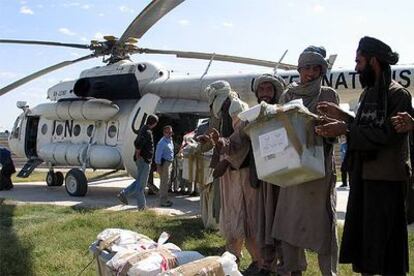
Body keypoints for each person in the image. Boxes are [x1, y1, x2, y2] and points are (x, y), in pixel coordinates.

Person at [316, 36, 410, 275]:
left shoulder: (398, 95)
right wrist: (341, 115)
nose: (356, 67)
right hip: (364, 178)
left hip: (386, 181)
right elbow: (364, 126)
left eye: (359, 61)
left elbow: (386, 134)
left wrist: (346, 129)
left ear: (373, 61)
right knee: (365, 245)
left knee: (387, 248)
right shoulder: (368, 94)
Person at [273, 46, 339, 276]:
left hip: (318, 170)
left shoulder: (328, 94)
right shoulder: (287, 95)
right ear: (299, 70)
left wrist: (316, 125)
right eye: (306, 68)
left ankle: (328, 272)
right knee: (289, 222)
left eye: (315, 68)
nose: (310, 73)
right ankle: (292, 270)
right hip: (291, 170)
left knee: (323, 224)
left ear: (321, 70)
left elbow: (334, 130)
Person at [204, 81, 262, 273]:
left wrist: (226, 161)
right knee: (232, 213)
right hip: (232, 170)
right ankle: (234, 255)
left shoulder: (235, 107)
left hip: (240, 170)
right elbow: (227, 140)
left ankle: (259, 261)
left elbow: (243, 139)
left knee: (243, 215)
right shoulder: (225, 109)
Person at [250, 73, 286, 274]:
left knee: (281, 222)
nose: (265, 93)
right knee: (264, 221)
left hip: (281, 177)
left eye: (268, 89)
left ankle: (284, 266)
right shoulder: (253, 115)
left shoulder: (282, 113)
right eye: (261, 89)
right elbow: (240, 138)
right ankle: (266, 264)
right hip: (262, 178)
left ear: (275, 92)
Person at [117, 114, 159, 210]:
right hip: (144, 160)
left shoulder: (143, 129)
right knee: (141, 186)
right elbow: (138, 143)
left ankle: (124, 194)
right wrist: (138, 154)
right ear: (154, 123)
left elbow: (137, 142)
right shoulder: (147, 132)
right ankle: (142, 207)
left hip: (143, 159)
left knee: (140, 182)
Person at [155, 125, 175, 207]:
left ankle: (165, 199)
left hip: (169, 162)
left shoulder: (170, 140)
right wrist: (158, 167)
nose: (169, 134)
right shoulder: (162, 142)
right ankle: (162, 201)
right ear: (164, 133)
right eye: (167, 133)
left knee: (167, 182)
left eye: (170, 132)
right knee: (164, 182)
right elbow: (158, 155)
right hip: (165, 164)